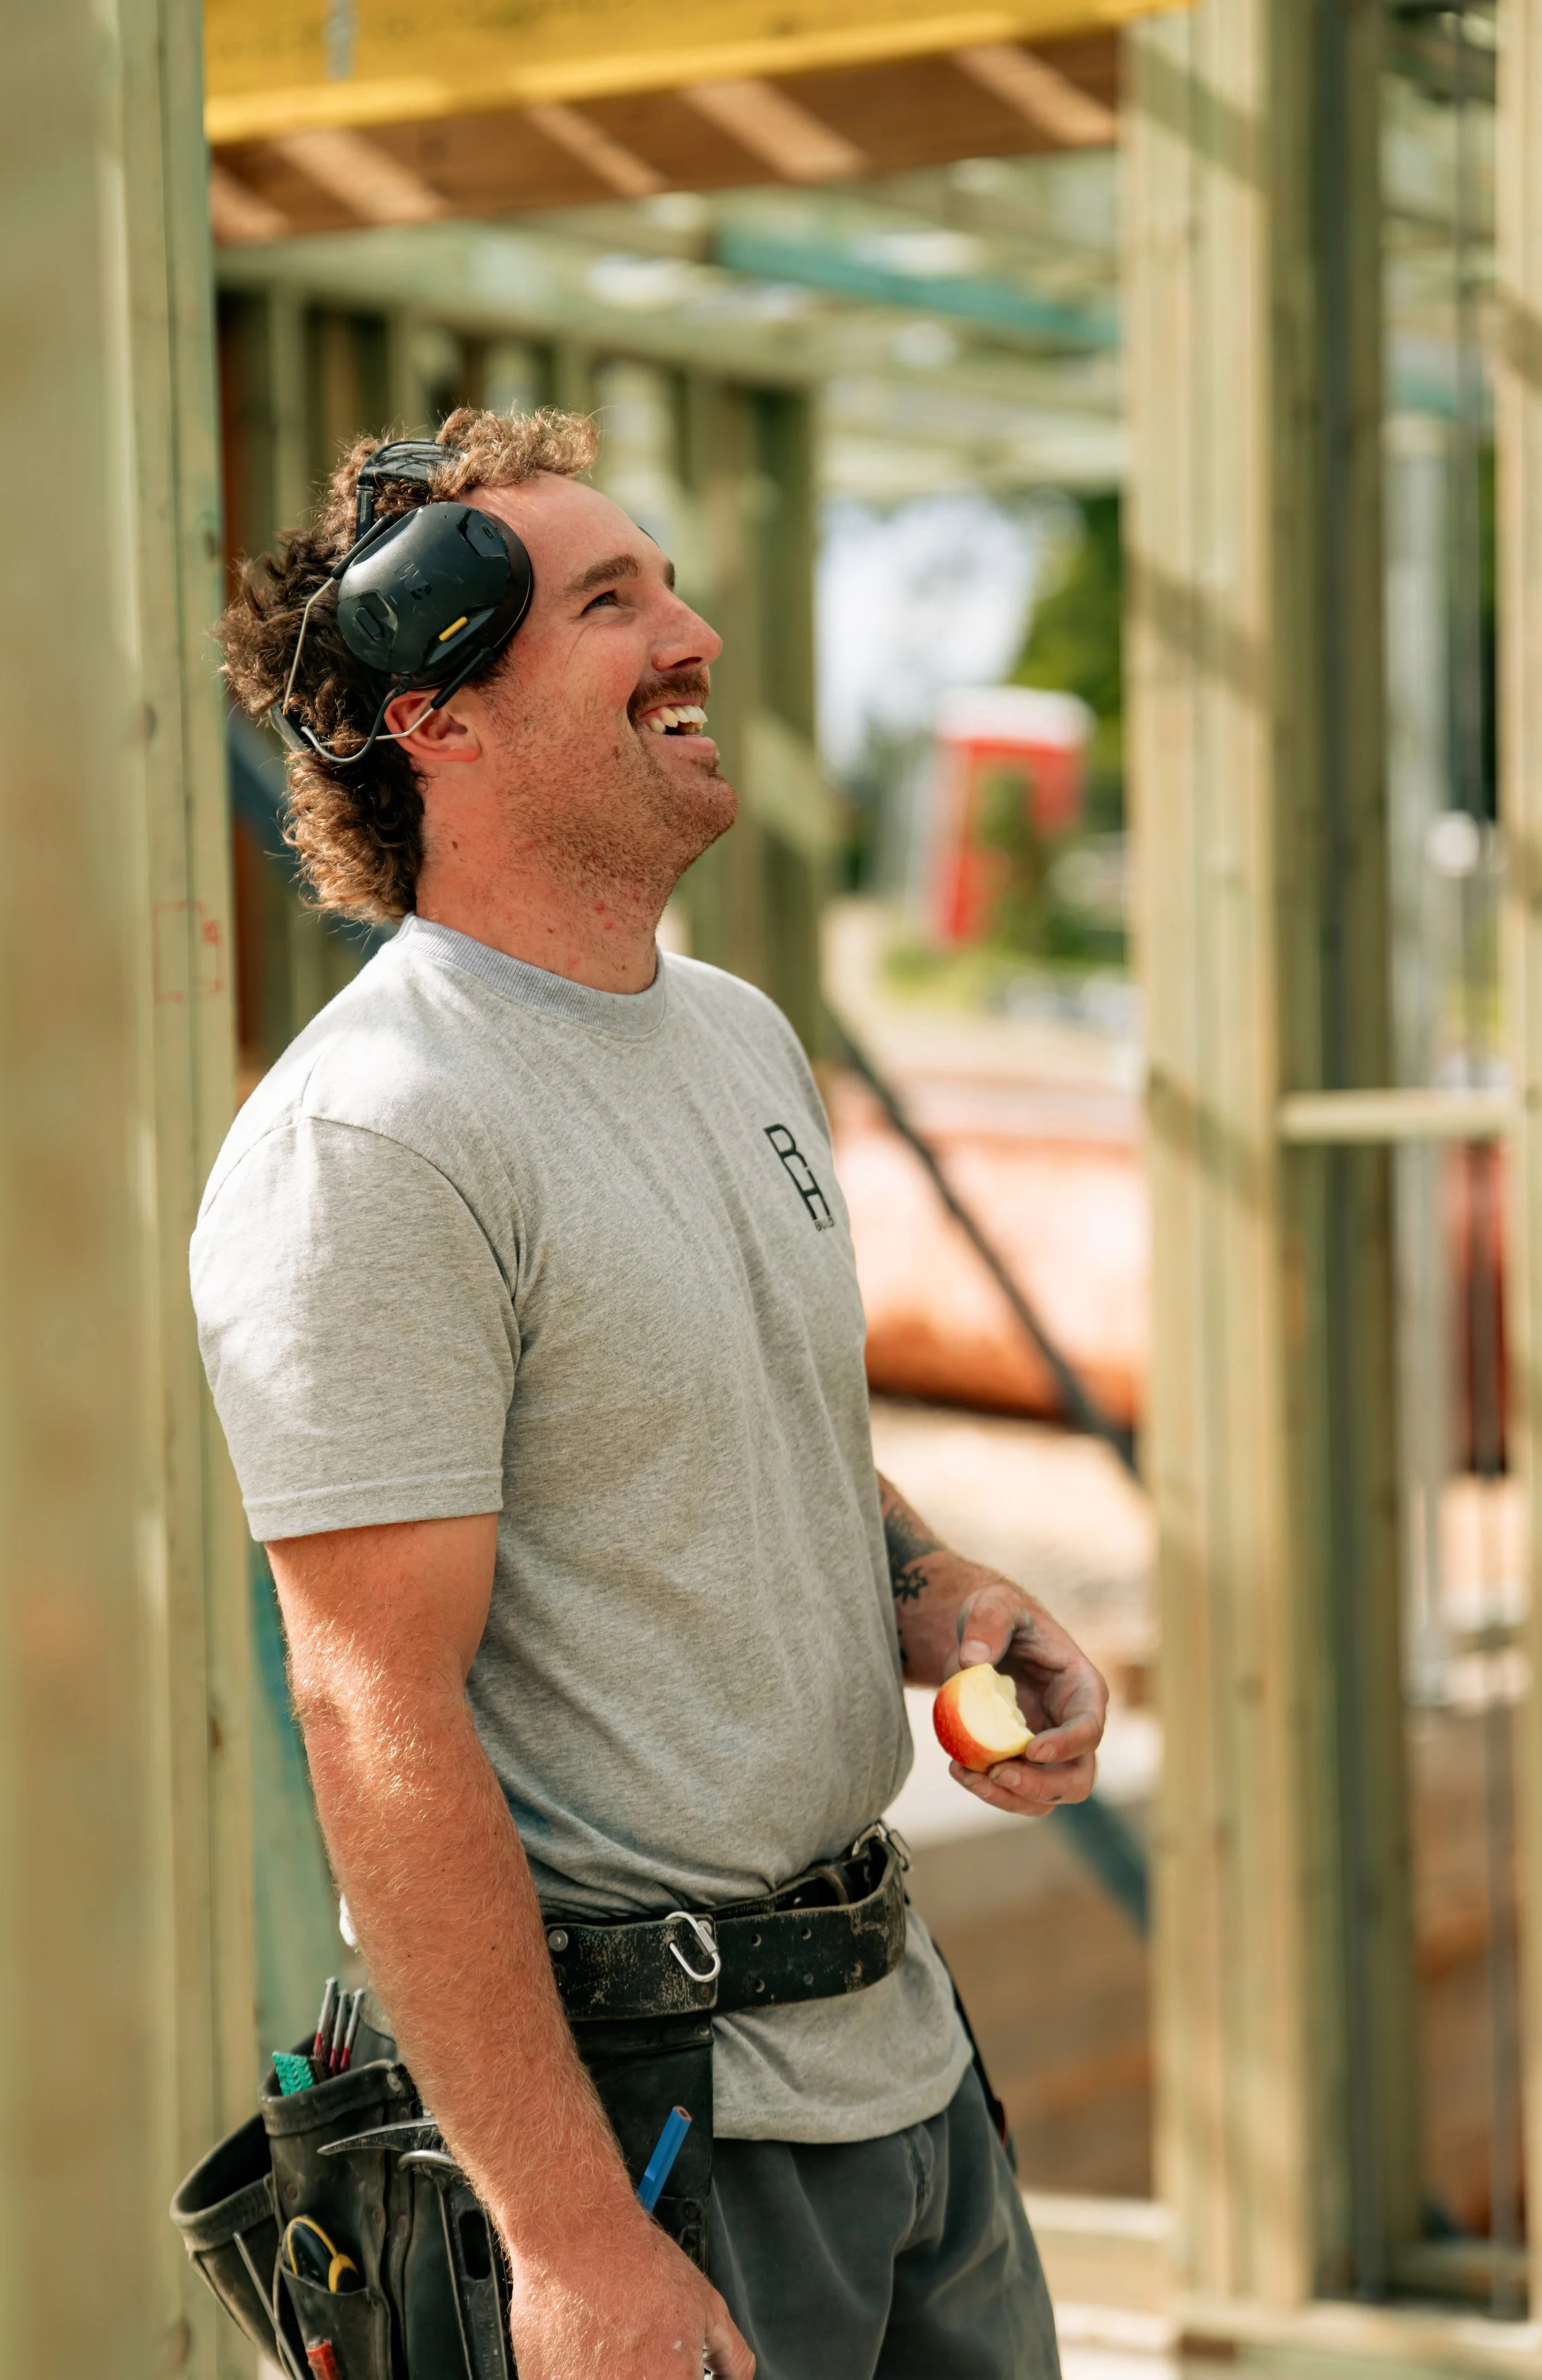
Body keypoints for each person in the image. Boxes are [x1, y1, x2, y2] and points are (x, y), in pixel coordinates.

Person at [193, 405, 1109, 2380]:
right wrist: (569, 2236)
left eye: (666, 581)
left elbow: (749, 1447)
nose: (688, 636)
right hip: (658, 2136)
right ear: (437, 721)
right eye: (612, 603)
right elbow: (375, 1710)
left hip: (898, 2069)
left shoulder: (736, 1039)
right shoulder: (380, 1137)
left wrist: (935, 1594)